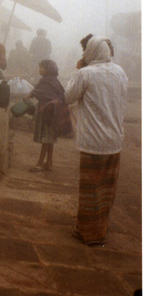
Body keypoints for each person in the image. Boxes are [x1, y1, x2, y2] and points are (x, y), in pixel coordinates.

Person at [65, 35, 128, 246]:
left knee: (90, 189)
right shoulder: (120, 72)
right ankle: (101, 229)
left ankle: (88, 233)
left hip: (93, 142)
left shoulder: (85, 73)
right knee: (107, 190)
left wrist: (77, 69)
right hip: (114, 141)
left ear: (90, 52)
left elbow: (68, 96)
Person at [25, 59, 72, 172]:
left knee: (46, 138)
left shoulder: (45, 81)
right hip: (54, 114)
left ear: (47, 70)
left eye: (41, 67)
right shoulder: (55, 82)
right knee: (50, 138)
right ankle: (49, 162)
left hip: (46, 113)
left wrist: (28, 96)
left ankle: (40, 163)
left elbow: (38, 92)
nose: (39, 69)